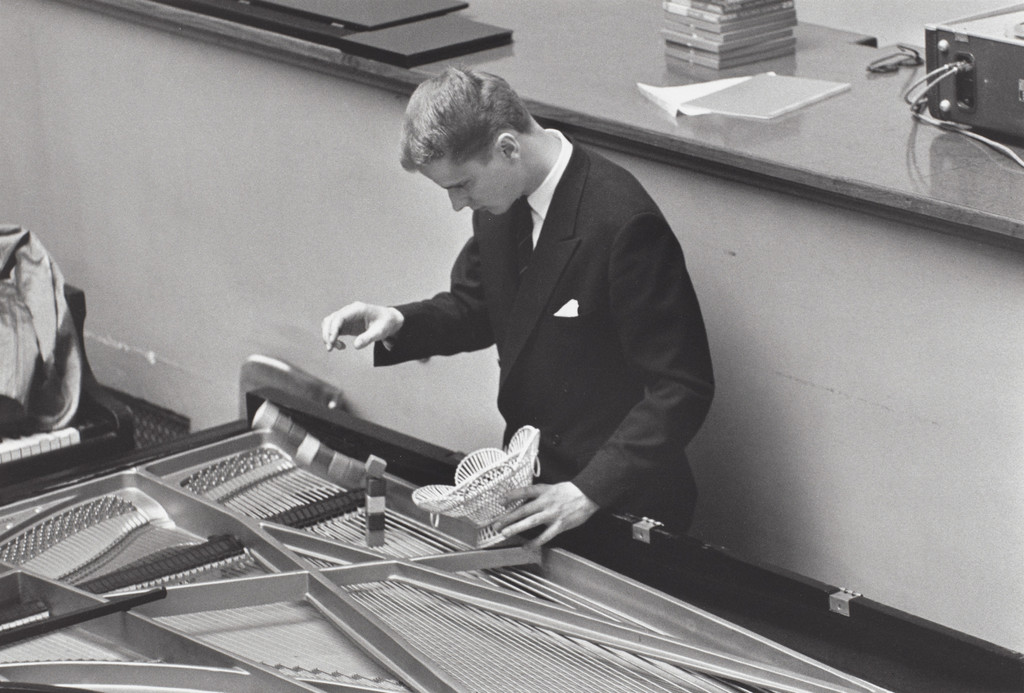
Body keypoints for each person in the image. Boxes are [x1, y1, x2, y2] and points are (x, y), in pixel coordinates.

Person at [321, 67, 713, 552]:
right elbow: (479, 306)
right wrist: (401, 321)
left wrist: (587, 491)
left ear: (508, 148)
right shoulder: (501, 202)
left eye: (461, 185)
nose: (457, 204)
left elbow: (682, 388)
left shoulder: (624, 223)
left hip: (620, 500)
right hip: (536, 488)